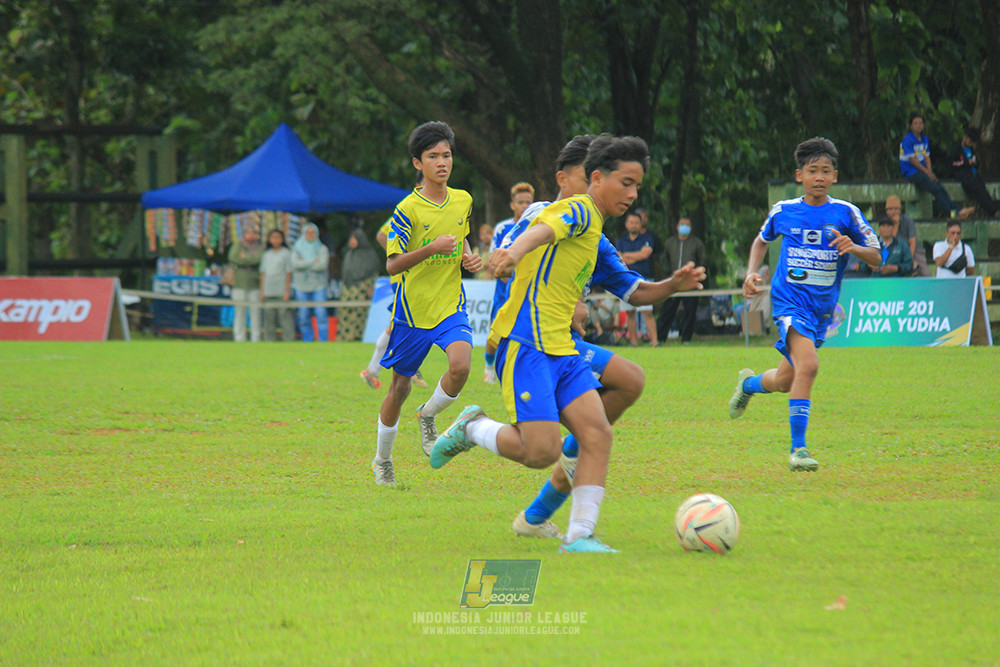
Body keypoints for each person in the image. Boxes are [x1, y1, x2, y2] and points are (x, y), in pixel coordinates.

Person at [429, 133, 651, 554]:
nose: (596, 188)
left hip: (562, 343)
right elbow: (530, 246)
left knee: (618, 397)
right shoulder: (553, 212)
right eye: (588, 177)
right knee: (543, 449)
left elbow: (627, 286)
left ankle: (575, 529)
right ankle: (481, 431)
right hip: (526, 337)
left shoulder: (595, 229)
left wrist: (673, 284)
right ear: (569, 179)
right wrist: (513, 256)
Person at [728, 137, 880, 472]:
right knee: (808, 365)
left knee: (785, 381)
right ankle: (798, 450)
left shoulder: (846, 213)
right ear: (800, 175)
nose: (819, 177)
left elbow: (876, 256)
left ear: (835, 176)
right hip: (790, 303)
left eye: (826, 171)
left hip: (821, 309)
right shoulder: (784, 210)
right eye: (812, 171)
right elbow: (761, 240)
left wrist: (853, 247)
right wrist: (752, 272)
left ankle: (748, 384)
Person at [370, 121, 482, 486]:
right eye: (433, 156)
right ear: (418, 163)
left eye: (446, 155)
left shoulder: (463, 199)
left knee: (461, 366)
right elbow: (392, 264)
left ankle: (428, 415)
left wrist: (468, 256)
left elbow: (462, 236)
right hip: (412, 313)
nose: (442, 162)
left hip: (450, 305)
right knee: (399, 389)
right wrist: (431, 249)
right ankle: (382, 460)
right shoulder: (408, 209)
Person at [483, 182, 535, 383]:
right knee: (496, 334)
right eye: (521, 202)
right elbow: (494, 259)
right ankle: (489, 365)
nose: (525, 206)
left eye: (528, 202)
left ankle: (517, 372)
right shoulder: (503, 228)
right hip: (504, 292)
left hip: (528, 292)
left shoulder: (539, 227)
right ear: (512, 205)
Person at [899, 113, 961, 219]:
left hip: (923, 171)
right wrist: (927, 172)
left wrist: (930, 172)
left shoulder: (924, 139)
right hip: (911, 172)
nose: (918, 126)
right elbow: (912, 161)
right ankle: (952, 214)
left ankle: (957, 210)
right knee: (935, 189)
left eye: (920, 123)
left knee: (939, 187)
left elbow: (927, 157)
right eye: (915, 123)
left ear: (923, 125)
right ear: (911, 126)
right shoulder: (907, 140)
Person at [657, 218, 706, 343]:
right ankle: (660, 337)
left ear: (691, 228)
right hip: (674, 281)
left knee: (690, 310)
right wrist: (669, 273)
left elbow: (702, 260)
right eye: (682, 225)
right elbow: (665, 259)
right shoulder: (670, 243)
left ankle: (686, 338)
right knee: (668, 309)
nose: (685, 227)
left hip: (690, 282)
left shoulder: (697, 243)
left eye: (687, 225)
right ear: (677, 227)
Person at [616, 210, 658, 346]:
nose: (634, 225)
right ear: (626, 224)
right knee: (630, 313)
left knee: (647, 312)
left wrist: (627, 256)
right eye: (631, 222)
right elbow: (619, 258)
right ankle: (633, 343)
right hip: (626, 280)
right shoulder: (621, 241)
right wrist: (637, 255)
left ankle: (655, 342)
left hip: (644, 280)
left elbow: (645, 254)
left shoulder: (647, 239)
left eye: (636, 223)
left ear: (641, 224)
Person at [290, 222, 331, 341]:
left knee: (321, 313)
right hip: (300, 286)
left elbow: (322, 265)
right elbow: (295, 264)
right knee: (303, 314)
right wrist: (313, 261)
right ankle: (307, 339)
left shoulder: (322, 248)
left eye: (313, 232)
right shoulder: (297, 248)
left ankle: (323, 340)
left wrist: (303, 263)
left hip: (319, 286)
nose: (310, 235)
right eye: (308, 232)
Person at [339, 228, 381, 341]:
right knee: (345, 312)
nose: (352, 241)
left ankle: (357, 336)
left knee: (359, 312)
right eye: (351, 238)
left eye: (354, 238)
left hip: (361, 289)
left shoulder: (370, 254)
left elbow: (374, 272)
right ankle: (346, 337)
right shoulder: (349, 254)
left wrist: (370, 287)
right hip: (348, 289)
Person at [949, 126, 1000, 217]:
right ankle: (993, 211)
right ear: (965, 137)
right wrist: (966, 163)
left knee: (983, 190)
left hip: (974, 174)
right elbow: (952, 164)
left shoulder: (971, 150)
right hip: (964, 175)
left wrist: (975, 163)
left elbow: (976, 163)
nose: (970, 143)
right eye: (970, 140)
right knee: (977, 191)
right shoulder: (956, 150)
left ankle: (994, 210)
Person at [228, 223, 263, 342]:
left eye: (253, 233)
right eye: (248, 232)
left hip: (255, 284)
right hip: (239, 283)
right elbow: (233, 258)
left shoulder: (260, 247)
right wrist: (249, 259)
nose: (250, 235)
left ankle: (256, 338)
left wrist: (244, 257)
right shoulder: (238, 245)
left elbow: (258, 259)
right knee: (239, 312)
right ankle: (239, 338)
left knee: (255, 313)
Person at [259, 228, 296, 342]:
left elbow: (288, 273)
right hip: (268, 291)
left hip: (281, 291)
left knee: (285, 317)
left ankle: (289, 340)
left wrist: (286, 291)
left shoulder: (286, 253)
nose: (275, 240)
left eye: (278, 237)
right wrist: (262, 291)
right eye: (273, 238)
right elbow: (263, 273)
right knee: (269, 318)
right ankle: (269, 340)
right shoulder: (266, 254)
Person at [882, 195, 927, 276]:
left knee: (925, 273)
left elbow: (912, 241)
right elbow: (891, 242)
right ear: (886, 211)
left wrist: (908, 259)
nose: (893, 212)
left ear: (900, 210)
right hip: (895, 252)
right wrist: (895, 225)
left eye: (896, 209)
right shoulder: (885, 223)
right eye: (890, 209)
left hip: (913, 251)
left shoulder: (908, 220)